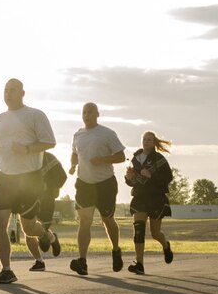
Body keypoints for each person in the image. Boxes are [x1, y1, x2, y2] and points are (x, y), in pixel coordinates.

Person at [0, 77, 54, 284]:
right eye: (6, 90)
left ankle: (47, 235)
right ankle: (6, 269)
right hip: (5, 176)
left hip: (29, 178)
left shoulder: (35, 115)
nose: (8, 93)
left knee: (28, 228)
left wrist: (27, 149)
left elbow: (49, 141)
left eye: (13, 90)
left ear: (22, 93)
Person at [66, 101, 126, 275]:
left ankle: (115, 249)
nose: (87, 115)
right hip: (84, 183)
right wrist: (72, 165)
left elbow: (121, 156)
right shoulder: (78, 134)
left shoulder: (107, 134)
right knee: (85, 220)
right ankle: (82, 261)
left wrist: (103, 160)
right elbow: (74, 153)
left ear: (97, 114)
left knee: (107, 220)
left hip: (105, 183)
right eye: (84, 112)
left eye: (90, 112)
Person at [124, 130, 174, 274]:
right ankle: (139, 264)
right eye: (144, 139)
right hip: (140, 198)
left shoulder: (159, 159)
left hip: (156, 199)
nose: (146, 142)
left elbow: (168, 178)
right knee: (138, 231)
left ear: (154, 143)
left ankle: (166, 246)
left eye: (149, 140)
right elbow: (132, 182)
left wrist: (151, 175)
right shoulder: (135, 158)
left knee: (155, 233)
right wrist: (129, 177)